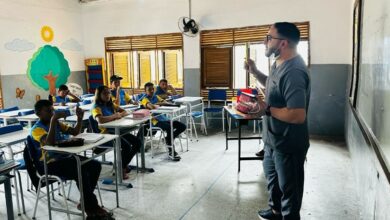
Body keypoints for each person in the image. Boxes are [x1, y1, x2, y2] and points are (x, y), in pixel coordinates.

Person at [245, 22, 311, 220]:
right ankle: (275, 212)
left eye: (269, 38)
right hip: (272, 140)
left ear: (283, 43)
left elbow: (298, 115)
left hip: (288, 143)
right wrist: (255, 72)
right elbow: (273, 87)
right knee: (273, 182)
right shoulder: (278, 62)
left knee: (289, 189)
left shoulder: (294, 72)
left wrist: (267, 109)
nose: (265, 41)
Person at [30, 100, 112, 219]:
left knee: (94, 165)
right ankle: (91, 207)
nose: (52, 113)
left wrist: (79, 118)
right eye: (48, 111)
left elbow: (74, 132)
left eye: (52, 110)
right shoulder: (36, 129)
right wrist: (53, 121)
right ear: (38, 114)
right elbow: (49, 143)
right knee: (81, 170)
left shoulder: (57, 124)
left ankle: (85, 201)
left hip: (66, 156)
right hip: (50, 163)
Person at [91, 85, 141, 179]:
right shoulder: (96, 107)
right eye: (105, 93)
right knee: (126, 146)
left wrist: (119, 114)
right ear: (99, 95)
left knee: (137, 142)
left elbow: (124, 111)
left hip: (117, 130)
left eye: (109, 93)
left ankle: (123, 164)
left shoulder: (110, 104)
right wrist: (115, 116)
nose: (108, 95)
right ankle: (120, 168)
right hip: (106, 134)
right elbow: (100, 120)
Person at [140, 82, 186, 161]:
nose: (151, 91)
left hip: (164, 118)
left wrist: (159, 103)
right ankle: (171, 151)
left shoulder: (156, 97)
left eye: (152, 89)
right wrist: (158, 104)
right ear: (145, 91)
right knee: (169, 128)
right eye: (149, 90)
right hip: (154, 121)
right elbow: (151, 107)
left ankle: (168, 139)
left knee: (182, 126)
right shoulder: (144, 99)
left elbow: (166, 103)